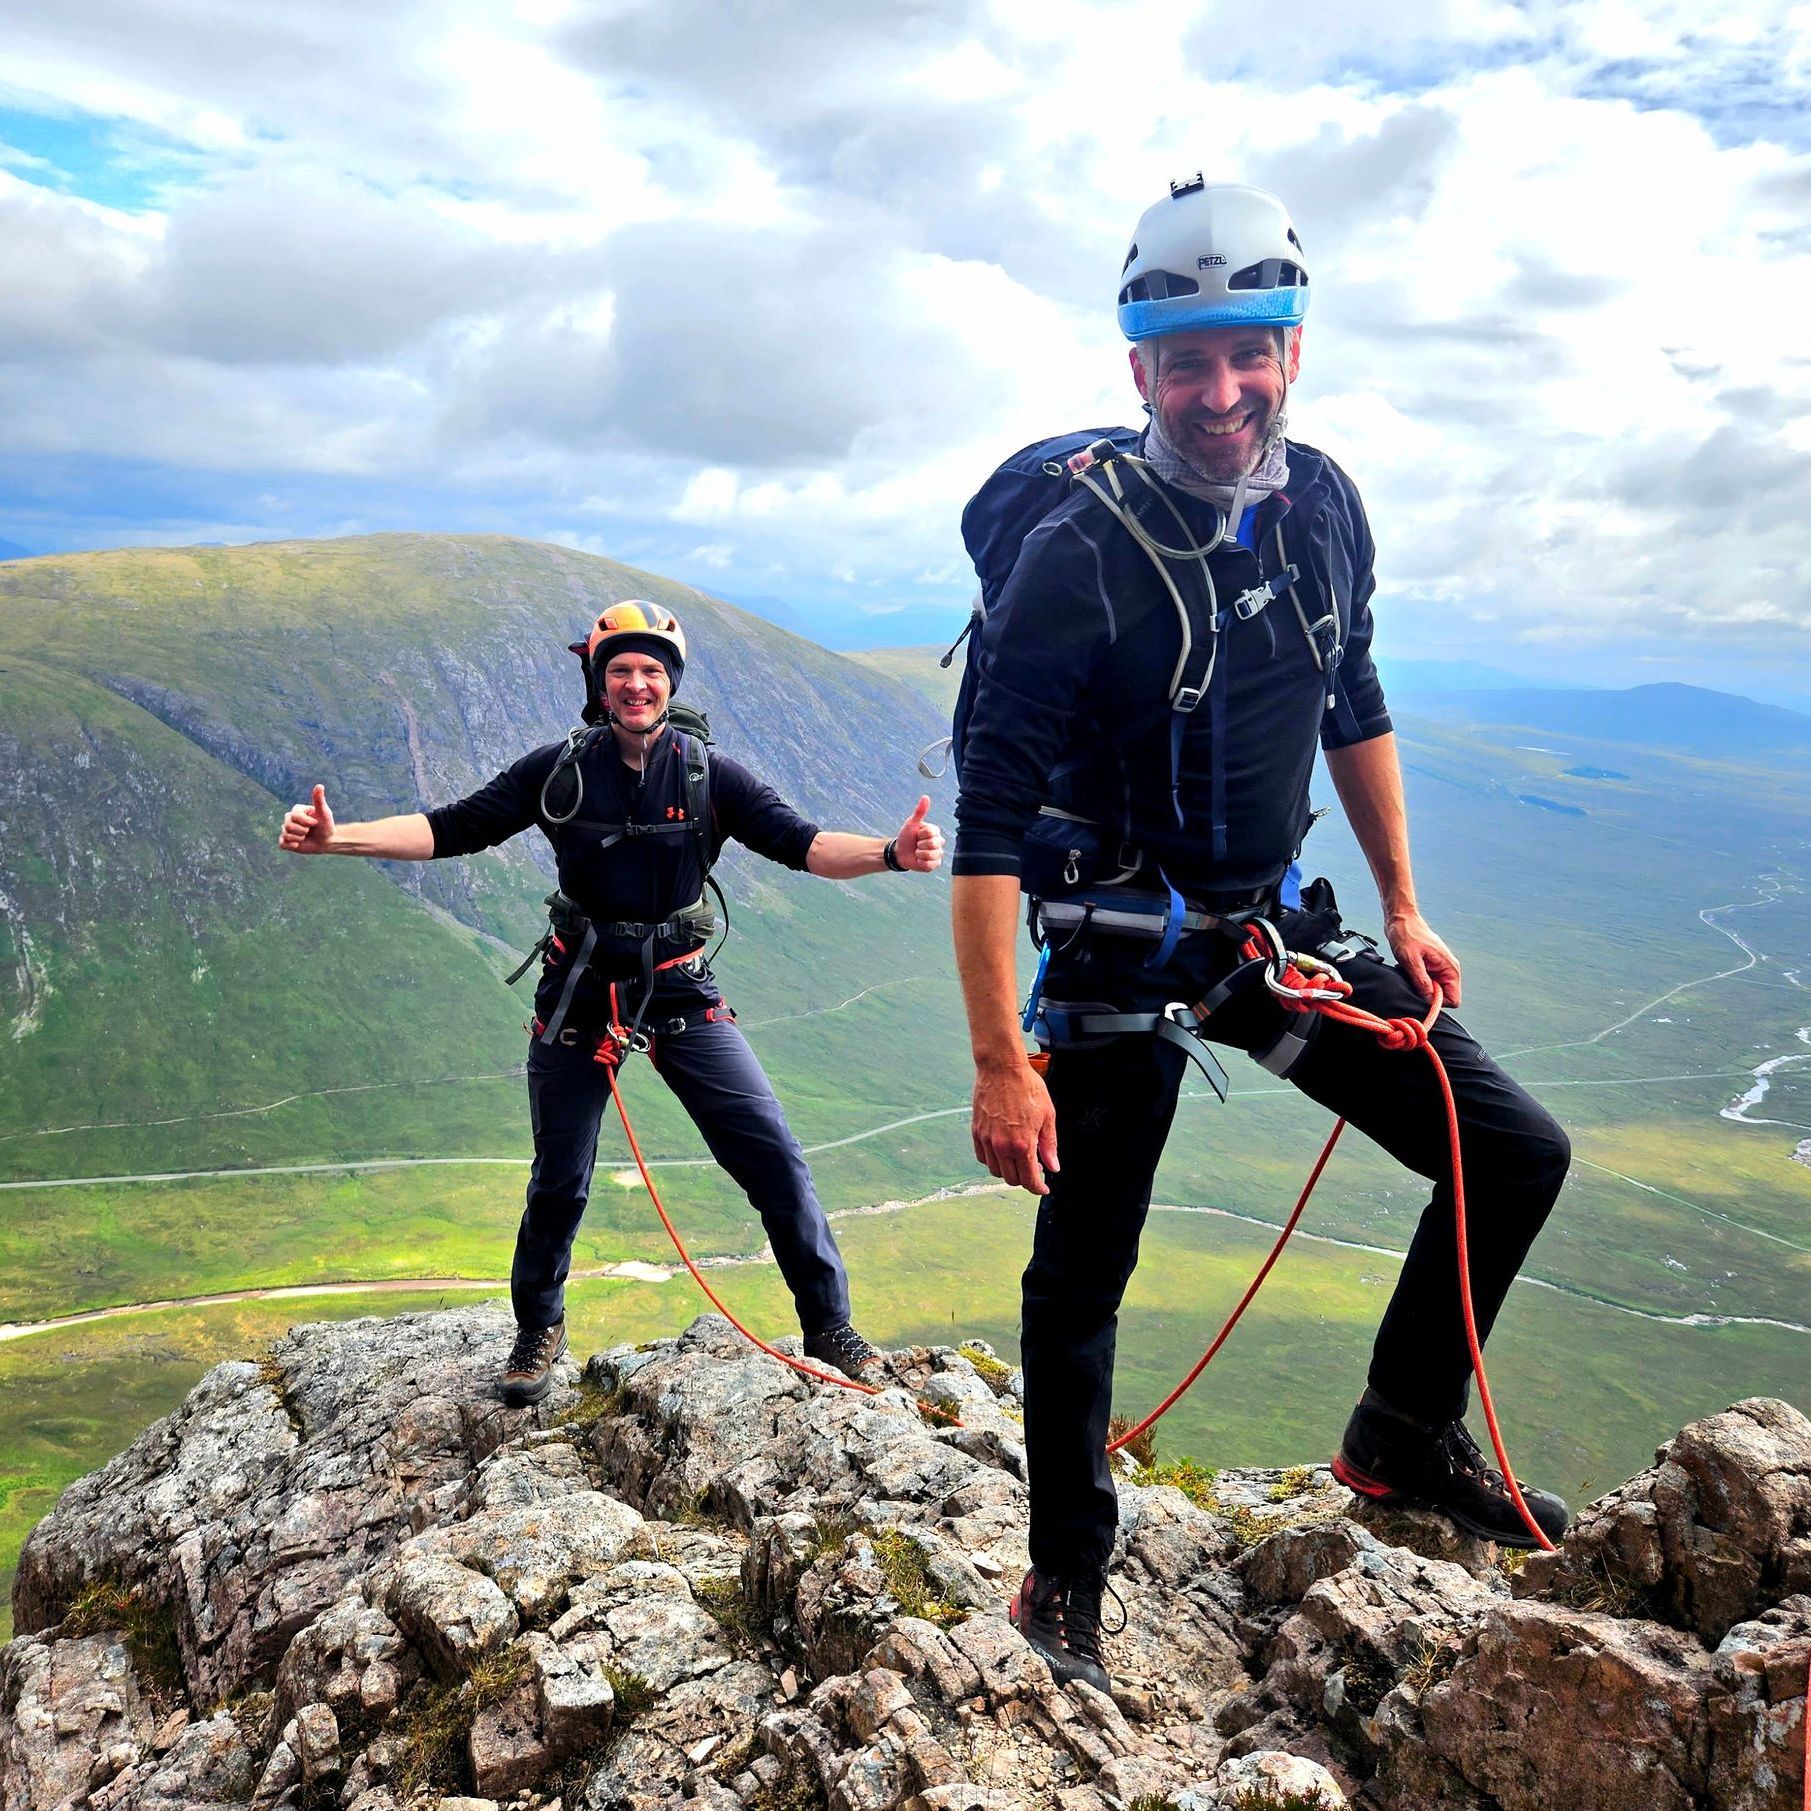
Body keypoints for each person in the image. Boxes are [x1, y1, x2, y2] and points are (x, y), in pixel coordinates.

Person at [950, 179, 1572, 1693]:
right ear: (1137, 371)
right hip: (1109, 944)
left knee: (1512, 1149)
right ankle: (1063, 1577)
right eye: (1185, 361)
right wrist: (997, 1063)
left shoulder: (1325, 508)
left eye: (1248, 353)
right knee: (1079, 1275)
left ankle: (1396, 1431)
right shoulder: (1074, 557)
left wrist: (1404, 909)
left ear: (1288, 349)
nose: (1220, 391)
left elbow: (1349, 700)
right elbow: (981, 827)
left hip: (1260, 930)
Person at [279, 600, 943, 1403]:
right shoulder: (555, 770)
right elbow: (450, 827)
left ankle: (829, 1327)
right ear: (598, 685)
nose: (636, 683)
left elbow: (803, 843)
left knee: (770, 1153)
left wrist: (889, 854)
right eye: (621, 670)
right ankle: (537, 1329)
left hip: (678, 983)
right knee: (560, 1174)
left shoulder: (708, 775)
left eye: (651, 671)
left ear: (670, 686)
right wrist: (336, 837)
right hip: (580, 989)